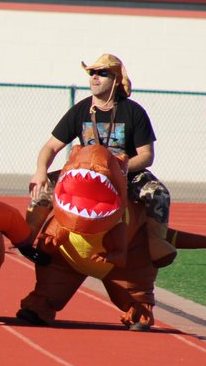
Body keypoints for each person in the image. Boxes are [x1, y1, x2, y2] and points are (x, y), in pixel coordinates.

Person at [27, 53, 176, 266]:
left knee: (158, 194)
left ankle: (155, 243)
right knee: (42, 187)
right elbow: (51, 146)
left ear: (115, 80)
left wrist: (121, 167)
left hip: (125, 174)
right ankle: (28, 239)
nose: (95, 77)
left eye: (102, 73)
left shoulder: (133, 112)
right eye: (92, 73)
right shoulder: (80, 110)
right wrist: (40, 170)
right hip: (86, 174)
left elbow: (146, 155)